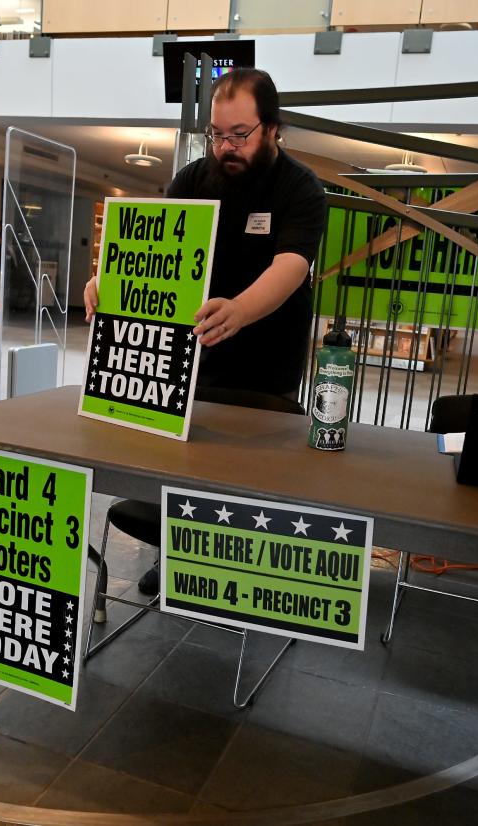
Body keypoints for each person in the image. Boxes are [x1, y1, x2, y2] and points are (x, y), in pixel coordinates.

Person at [84, 68, 327, 594]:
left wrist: (239, 310)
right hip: (193, 358)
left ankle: (232, 575)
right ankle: (173, 557)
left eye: (240, 134)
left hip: (267, 367)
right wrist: (108, 280)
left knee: (249, 481)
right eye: (217, 134)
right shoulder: (195, 179)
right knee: (178, 469)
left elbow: (292, 266)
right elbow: (154, 251)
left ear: (272, 129)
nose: (226, 146)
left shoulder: (301, 189)